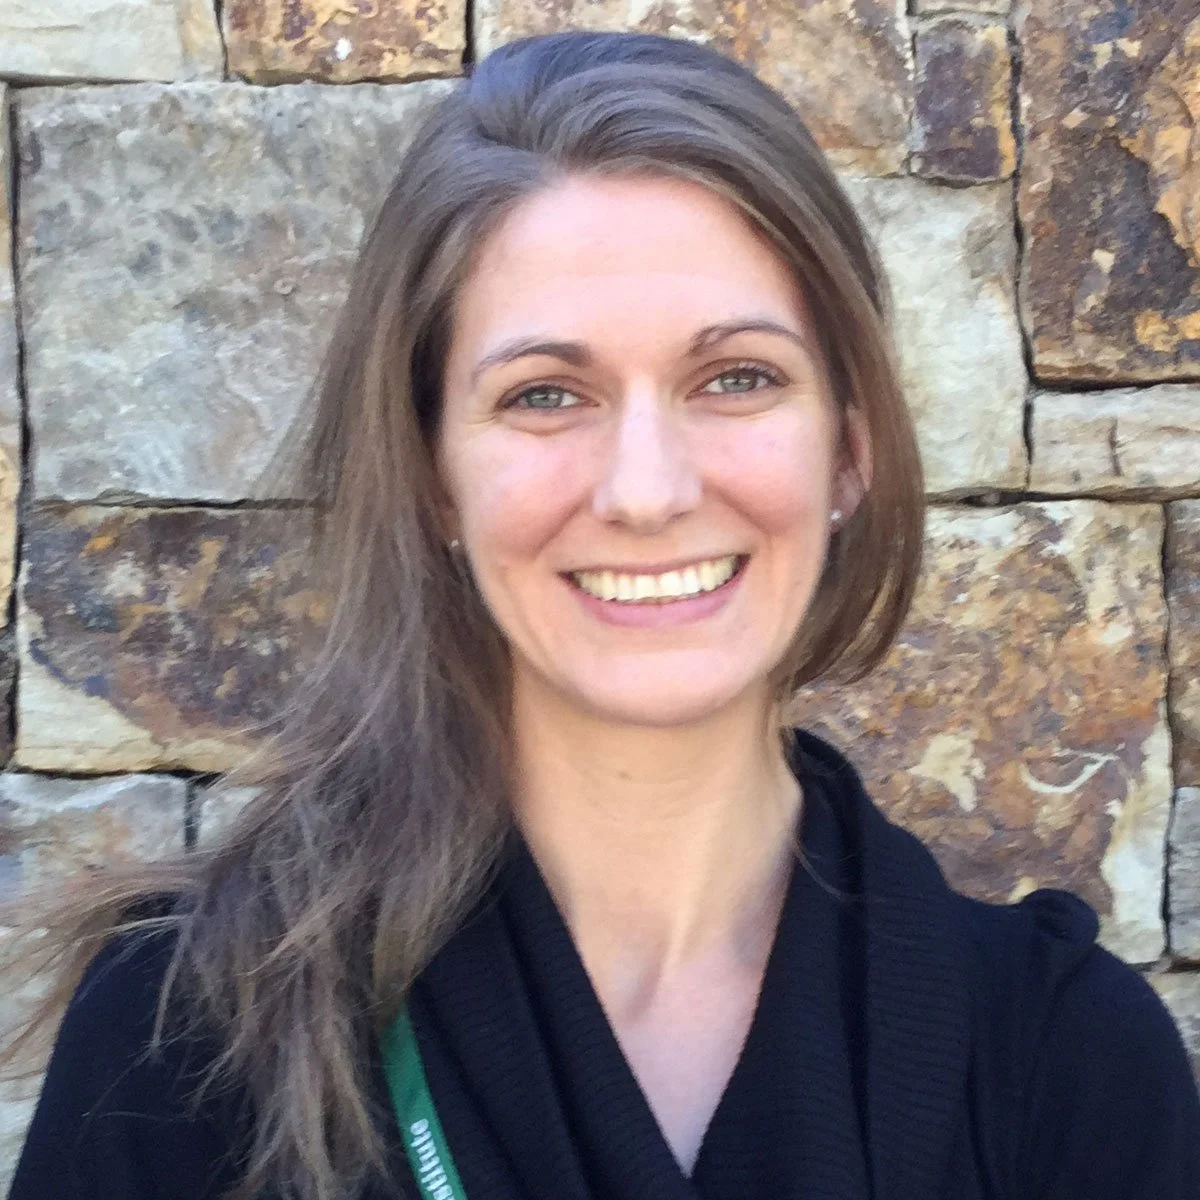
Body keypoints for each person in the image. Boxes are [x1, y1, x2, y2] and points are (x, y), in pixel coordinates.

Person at [4, 28, 1198, 1200]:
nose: (647, 491)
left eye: (736, 378)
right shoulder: (192, 1042)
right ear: (432, 476)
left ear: (849, 445)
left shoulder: (1069, 1067)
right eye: (545, 394)